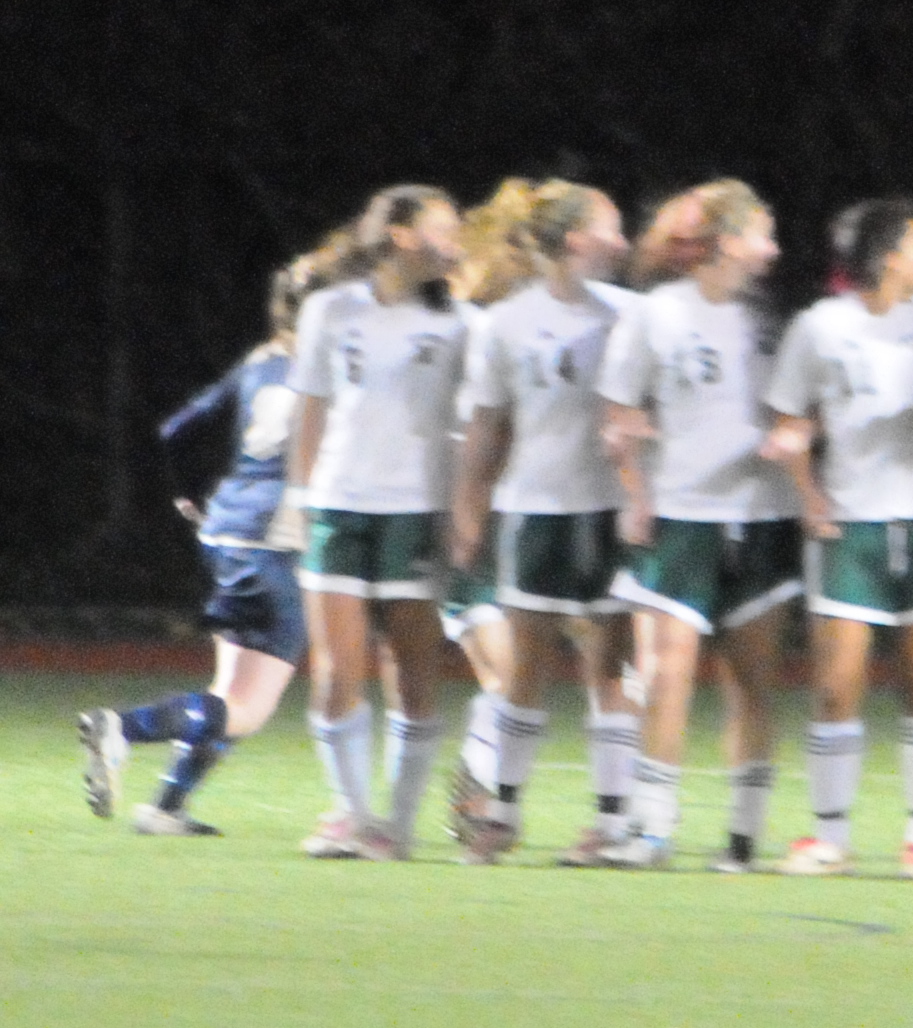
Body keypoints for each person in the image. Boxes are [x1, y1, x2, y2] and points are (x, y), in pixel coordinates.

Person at [764, 198, 913, 876]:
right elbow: (790, 416)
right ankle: (831, 837)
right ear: (887, 258)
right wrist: (805, 488)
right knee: (836, 684)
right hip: (849, 525)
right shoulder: (819, 326)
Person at [79, 256, 324, 836]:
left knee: (227, 694)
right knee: (246, 709)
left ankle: (166, 807)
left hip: (227, 534)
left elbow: (177, 429)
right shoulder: (324, 372)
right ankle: (121, 728)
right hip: (273, 543)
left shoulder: (260, 362)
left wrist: (189, 497)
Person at [597, 179, 800, 868]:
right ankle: (653, 828)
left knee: (752, 683)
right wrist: (635, 490)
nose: (773, 250)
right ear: (727, 242)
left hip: (761, 515)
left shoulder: (769, 321)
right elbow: (619, 409)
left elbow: (799, 410)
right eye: (762, 234)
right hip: (680, 517)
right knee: (665, 672)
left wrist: (794, 439)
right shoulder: (657, 314)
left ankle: (742, 838)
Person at [447, 178, 639, 864]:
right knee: (527, 669)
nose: (622, 240)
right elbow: (487, 425)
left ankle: (612, 823)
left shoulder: (630, 315)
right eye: (611, 226)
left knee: (609, 668)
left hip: (610, 511)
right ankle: (500, 814)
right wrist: (469, 506)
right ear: (577, 238)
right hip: (533, 512)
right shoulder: (506, 322)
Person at [287, 186, 472, 860]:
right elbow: (311, 409)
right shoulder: (331, 309)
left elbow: (473, 425)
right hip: (339, 505)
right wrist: (301, 500)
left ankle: (397, 824)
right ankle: (354, 815)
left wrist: (462, 511)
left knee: (413, 672)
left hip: (416, 510)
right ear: (400, 234)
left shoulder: (461, 323)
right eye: (444, 229)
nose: (456, 243)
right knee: (336, 670)